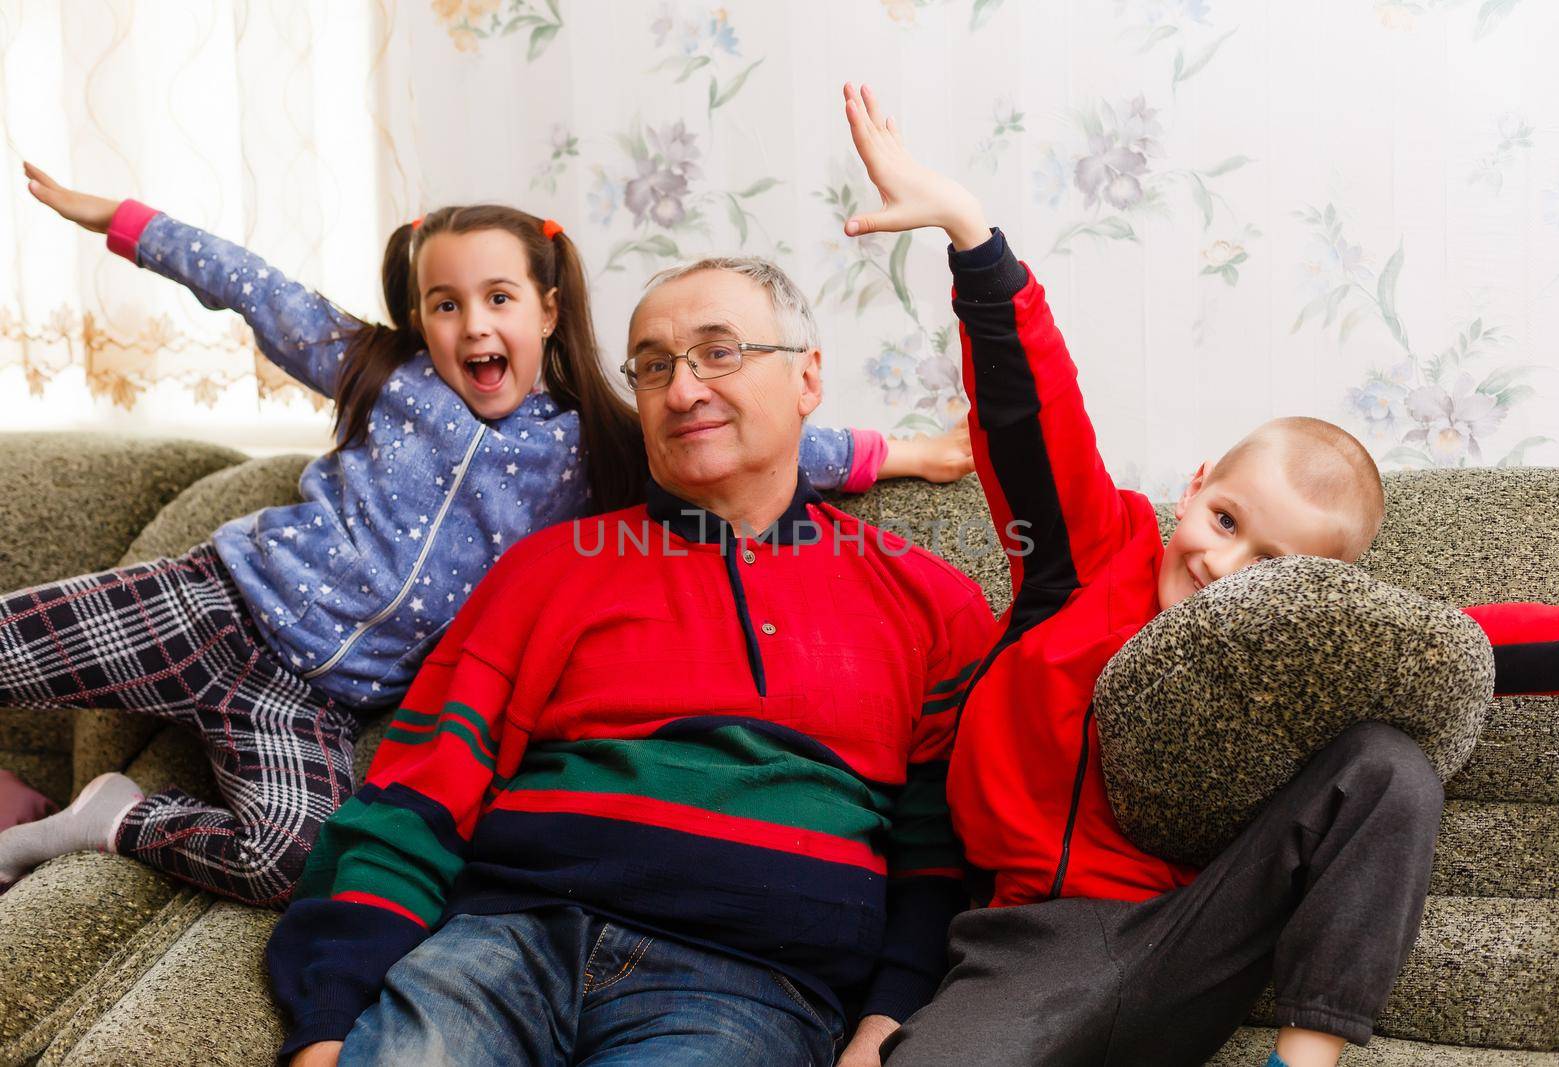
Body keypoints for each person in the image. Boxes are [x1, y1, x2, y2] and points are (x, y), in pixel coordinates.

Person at [836, 81, 1559, 1067]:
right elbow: (1032, 421)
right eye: (1225, 518)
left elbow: (1471, 643)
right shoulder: (1086, 555)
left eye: (1269, 562)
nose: (1219, 561)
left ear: (1315, 591)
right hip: (1028, 946)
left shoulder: (1303, 650)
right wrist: (972, 237)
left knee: (1388, 763)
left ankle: (1306, 1055)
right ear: (1194, 486)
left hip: (1196, 935)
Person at [0, 164, 969, 906]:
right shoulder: (378, 373)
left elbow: (767, 430)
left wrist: (913, 451)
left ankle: (111, 818)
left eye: (499, 298)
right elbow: (254, 287)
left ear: (548, 309)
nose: (473, 325)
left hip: (309, 698)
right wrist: (124, 223)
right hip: (213, 607)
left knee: (297, 863)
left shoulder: (595, 445)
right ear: (418, 317)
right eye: (444, 303)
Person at [264, 254, 998, 1066]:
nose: (683, 390)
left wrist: (885, 1020)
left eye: (719, 353)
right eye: (653, 366)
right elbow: (415, 798)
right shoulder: (548, 570)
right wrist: (328, 1018)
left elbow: (940, 859)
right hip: (503, 947)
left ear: (807, 378)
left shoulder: (931, 601)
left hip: (748, 987)